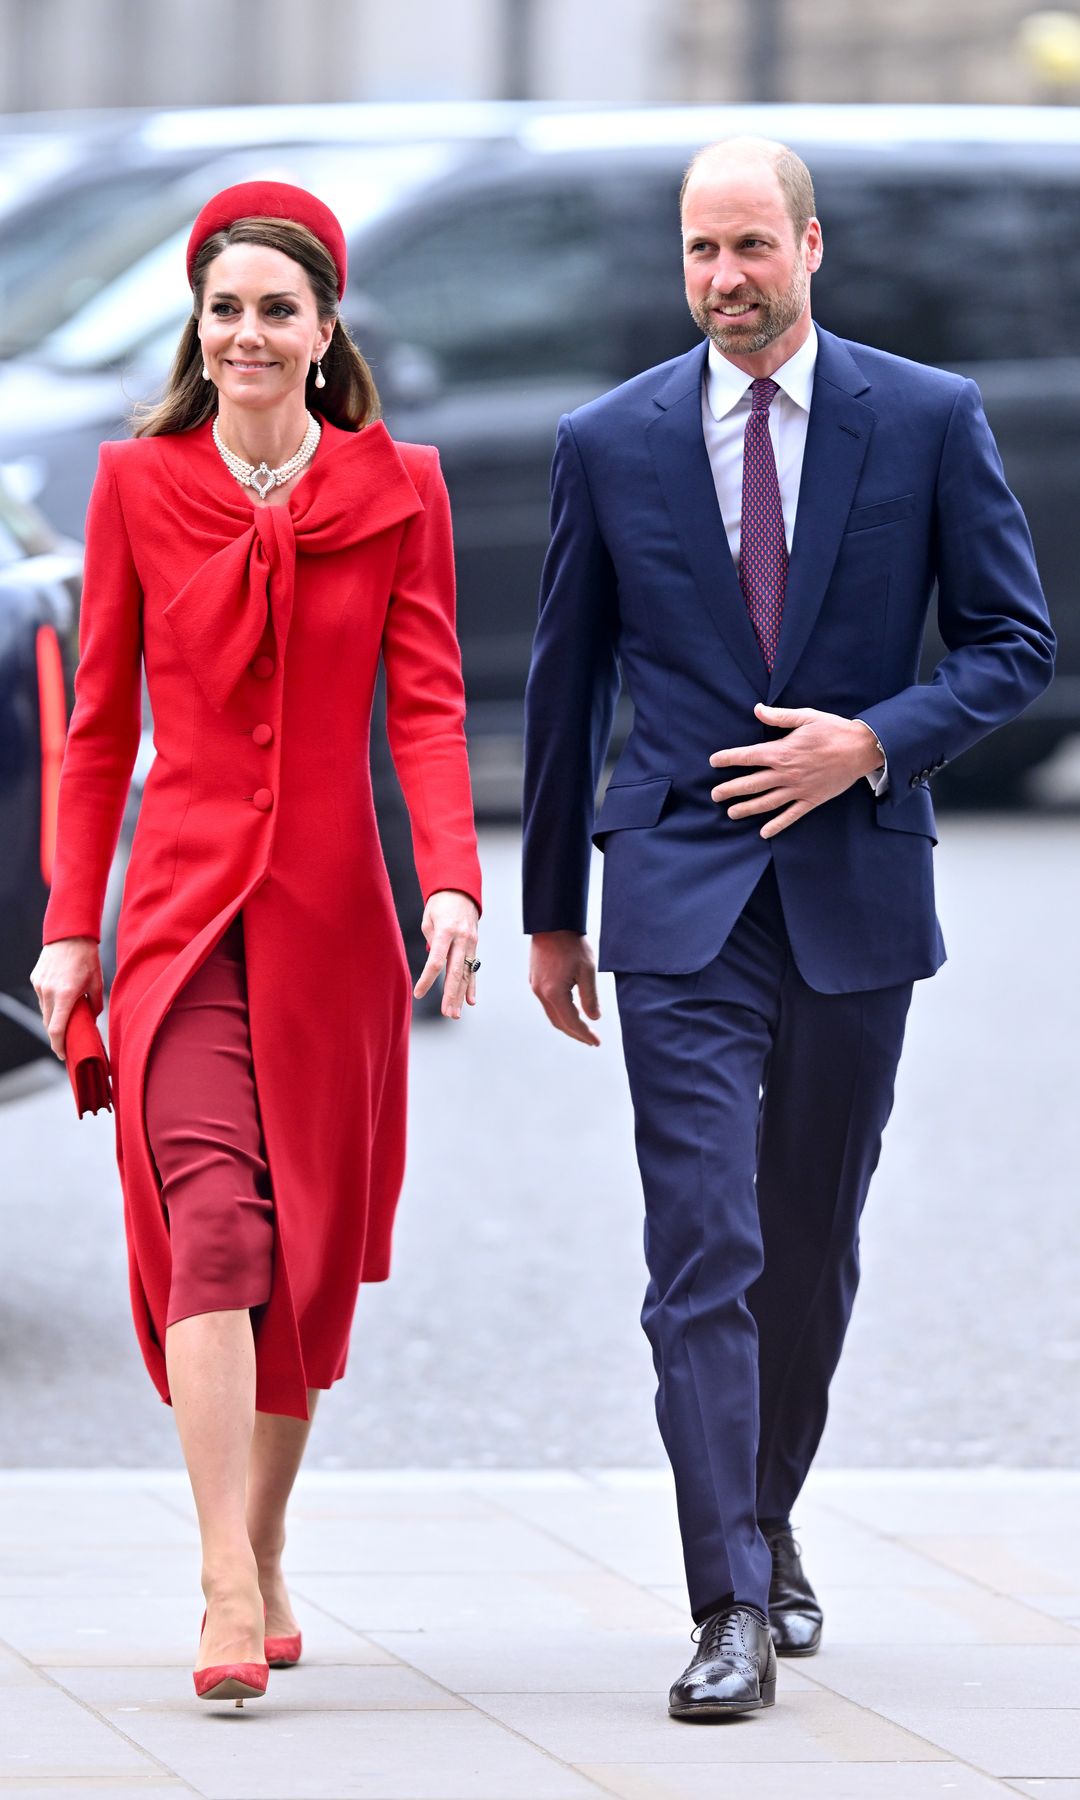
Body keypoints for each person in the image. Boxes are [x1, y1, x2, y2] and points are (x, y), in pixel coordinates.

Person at [522, 137, 1054, 1720]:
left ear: (811, 247)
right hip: (677, 890)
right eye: (700, 252)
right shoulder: (609, 439)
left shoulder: (929, 418)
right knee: (704, 1245)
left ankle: (766, 1512)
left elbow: (1014, 643)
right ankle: (728, 1603)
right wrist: (554, 911)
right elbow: (567, 687)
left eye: (750, 247)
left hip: (853, 889)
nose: (723, 281)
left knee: (808, 1249)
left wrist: (870, 739)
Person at [31, 182, 482, 1707]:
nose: (245, 334)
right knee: (210, 1228)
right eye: (223, 308)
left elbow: (427, 706)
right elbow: (95, 732)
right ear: (198, 323)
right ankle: (227, 1578)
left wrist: (451, 886)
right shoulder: (135, 484)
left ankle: (268, 1540)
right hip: (171, 920)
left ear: (325, 326)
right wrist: (66, 930)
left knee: (301, 1269)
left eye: (275, 309)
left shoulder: (400, 487)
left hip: (332, 930)